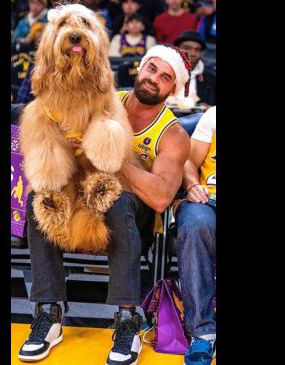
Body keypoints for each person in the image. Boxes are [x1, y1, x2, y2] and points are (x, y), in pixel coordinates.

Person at [18, 44, 192, 365]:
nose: (155, 79)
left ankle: (128, 319)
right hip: (84, 202)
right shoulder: (107, 102)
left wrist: (111, 155)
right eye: (152, 69)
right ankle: (48, 312)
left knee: (117, 199)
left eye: (165, 77)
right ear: (140, 67)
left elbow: (161, 197)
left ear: (174, 88)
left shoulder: (173, 134)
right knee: (41, 199)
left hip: (133, 217)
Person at [172, 105, 216, 365]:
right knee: (194, 223)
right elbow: (189, 161)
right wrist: (192, 184)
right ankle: (203, 331)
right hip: (207, 200)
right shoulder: (212, 116)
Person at [167, 30, 210, 109]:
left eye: (197, 49)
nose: (193, 53)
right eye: (187, 48)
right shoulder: (164, 71)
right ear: (177, 49)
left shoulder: (211, 78)